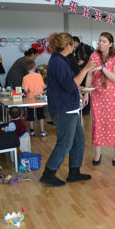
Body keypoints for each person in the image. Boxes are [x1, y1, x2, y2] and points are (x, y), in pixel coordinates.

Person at [39, 32, 96, 187]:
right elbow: (70, 85)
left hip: (69, 107)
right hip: (63, 109)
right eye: (73, 44)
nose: (74, 47)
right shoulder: (58, 62)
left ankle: (74, 172)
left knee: (79, 141)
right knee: (64, 143)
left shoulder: (61, 59)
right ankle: (48, 174)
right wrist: (86, 69)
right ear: (68, 46)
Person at [85, 32, 115, 166]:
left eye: (103, 41)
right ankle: (97, 154)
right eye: (99, 41)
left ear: (110, 43)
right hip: (97, 96)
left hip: (113, 97)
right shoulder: (94, 56)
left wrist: (103, 68)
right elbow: (89, 75)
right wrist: (86, 93)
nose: (100, 43)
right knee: (97, 124)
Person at [22, 59, 46, 137]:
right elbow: (43, 86)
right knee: (41, 115)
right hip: (40, 99)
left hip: (30, 99)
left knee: (31, 116)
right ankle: (42, 131)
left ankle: (32, 131)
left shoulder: (25, 77)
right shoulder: (39, 75)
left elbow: (25, 90)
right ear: (34, 67)